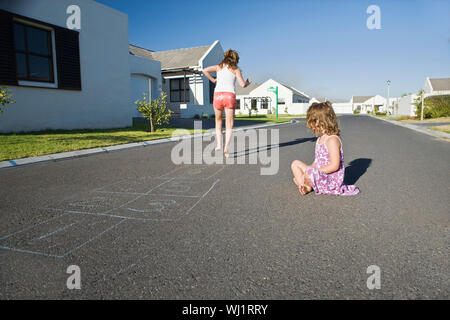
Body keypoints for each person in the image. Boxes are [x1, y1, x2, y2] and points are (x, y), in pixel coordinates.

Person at [291, 101, 360, 196]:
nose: (311, 127)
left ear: (319, 121)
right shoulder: (320, 139)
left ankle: (306, 185)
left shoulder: (332, 140)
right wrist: (309, 170)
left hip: (330, 180)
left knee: (303, 176)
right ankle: (306, 184)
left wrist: (310, 173)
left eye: (312, 122)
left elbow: (334, 165)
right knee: (295, 164)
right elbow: (316, 162)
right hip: (319, 175)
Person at [202, 49, 251, 158]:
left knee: (218, 121)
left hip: (218, 95)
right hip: (229, 96)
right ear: (235, 59)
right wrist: (248, 82)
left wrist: (213, 80)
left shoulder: (218, 67)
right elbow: (242, 85)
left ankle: (219, 145)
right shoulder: (236, 70)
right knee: (229, 124)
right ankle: (226, 149)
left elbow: (204, 70)